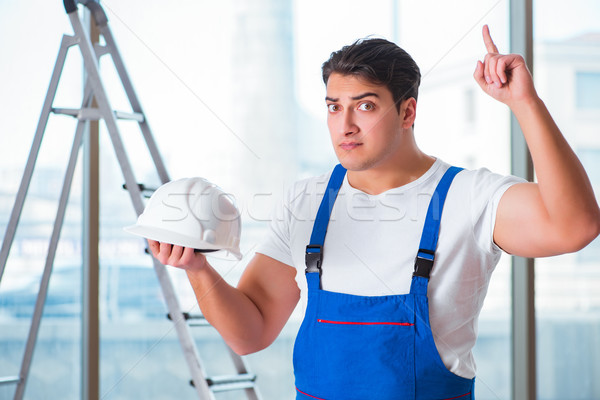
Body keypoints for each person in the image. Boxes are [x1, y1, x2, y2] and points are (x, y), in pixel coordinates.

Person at [148, 25, 600, 399]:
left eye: (365, 106)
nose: (345, 125)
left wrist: (526, 104)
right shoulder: (307, 201)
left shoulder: (470, 196)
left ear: (407, 112)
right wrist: (198, 270)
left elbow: (575, 226)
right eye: (333, 107)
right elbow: (251, 332)